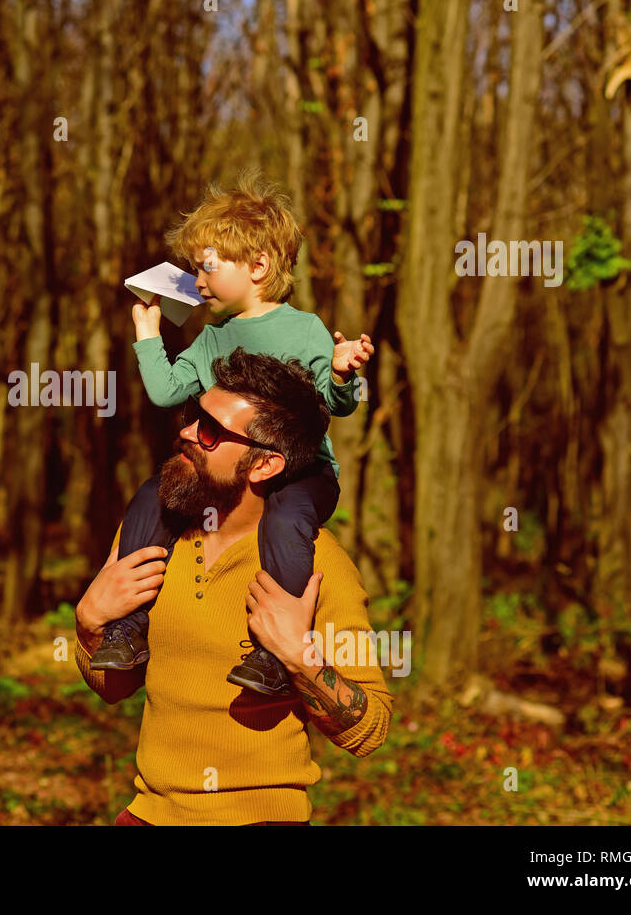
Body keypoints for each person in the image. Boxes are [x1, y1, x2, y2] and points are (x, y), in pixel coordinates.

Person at [74, 348, 392, 824]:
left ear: (264, 466)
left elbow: (371, 729)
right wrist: (89, 625)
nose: (185, 433)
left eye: (209, 431)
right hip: (146, 815)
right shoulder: (150, 537)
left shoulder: (320, 565)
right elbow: (115, 687)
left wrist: (299, 659)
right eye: (191, 418)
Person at [89, 169, 374, 697]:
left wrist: (340, 372)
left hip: (301, 471)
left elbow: (336, 407)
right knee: (152, 497)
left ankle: (273, 651)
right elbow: (167, 392)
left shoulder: (305, 329)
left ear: (259, 267)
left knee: (286, 520)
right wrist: (148, 333)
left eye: (208, 268)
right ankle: (128, 628)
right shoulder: (210, 337)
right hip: (224, 473)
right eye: (195, 270)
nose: (197, 282)